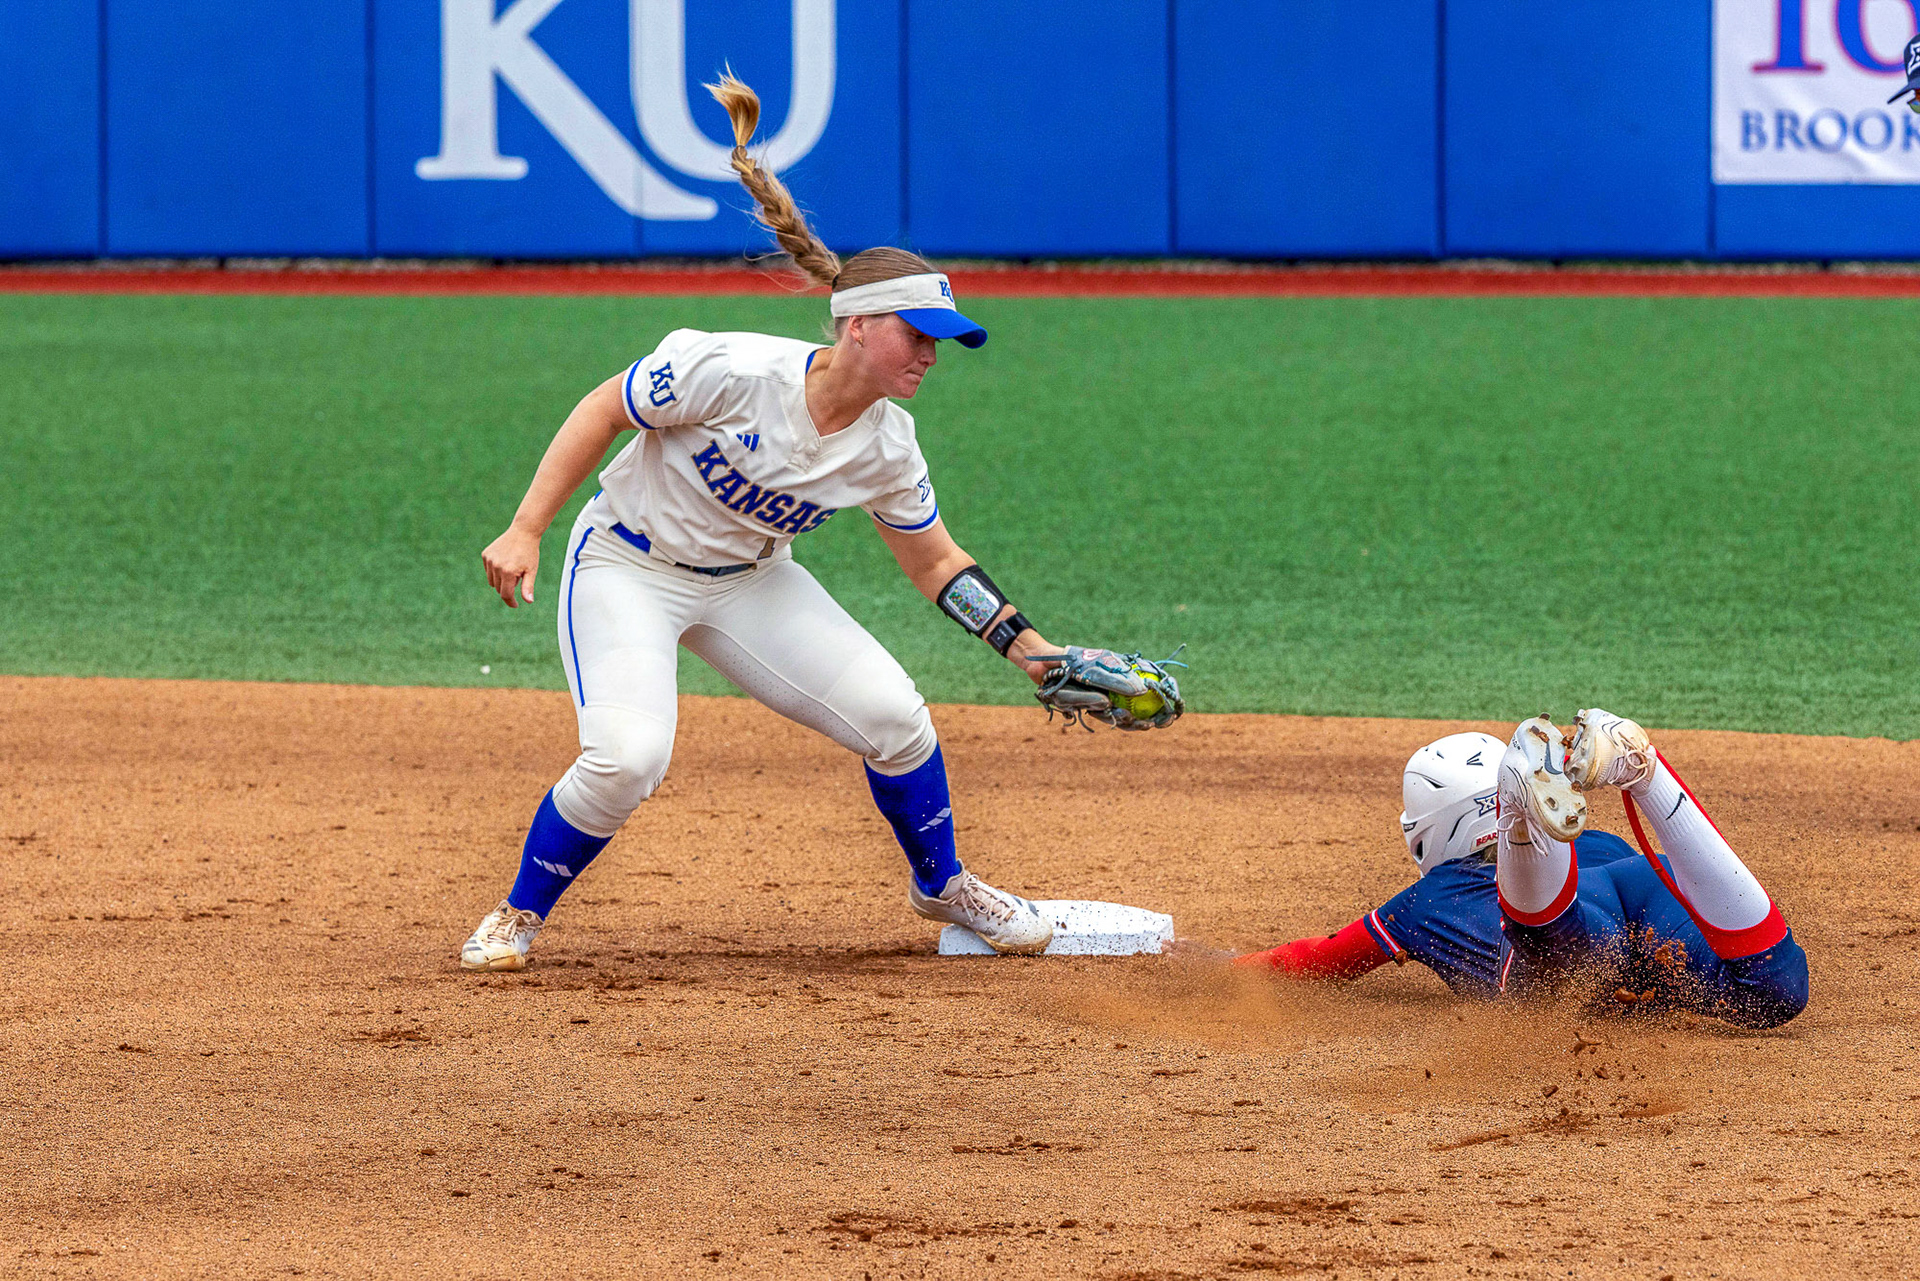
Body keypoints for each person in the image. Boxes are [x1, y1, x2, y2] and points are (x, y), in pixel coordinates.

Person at [458, 73, 1152, 969]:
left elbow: (936, 562)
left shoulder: (890, 446)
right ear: (858, 326)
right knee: (628, 756)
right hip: (626, 566)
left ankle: (942, 882)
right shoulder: (732, 369)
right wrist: (527, 527)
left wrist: (1033, 650)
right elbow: (605, 407)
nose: (931, 353)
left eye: (941, 338)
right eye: (918, 332)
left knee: (896, 717)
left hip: (750, 581)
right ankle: (518, 913)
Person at [1238, 709, 1808, 1029]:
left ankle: (1521, 815)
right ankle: (1645, 774)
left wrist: (1221, 967)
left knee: (1575, 967)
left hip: (1565, 926)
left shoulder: (1426, 900)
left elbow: (1314, 961)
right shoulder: (1598, 838)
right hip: (1634, 880)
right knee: (1774, 993)